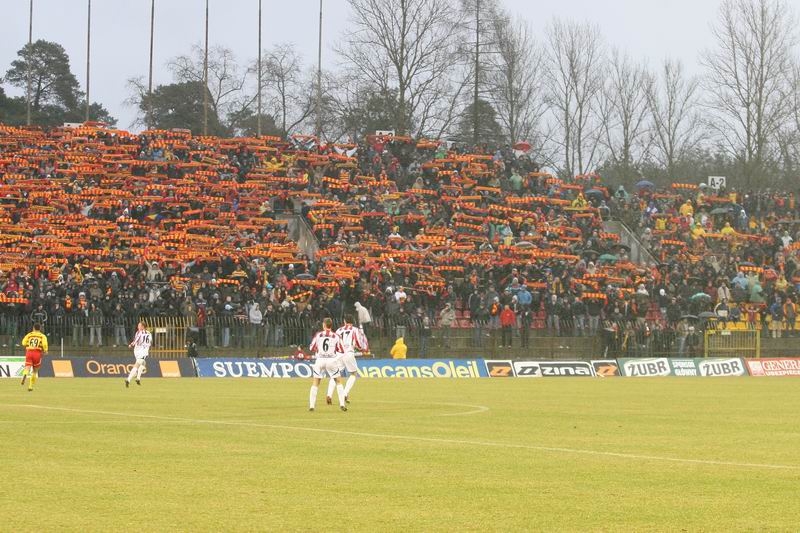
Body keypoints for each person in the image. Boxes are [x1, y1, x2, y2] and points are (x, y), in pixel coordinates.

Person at [326, 315, 368, 405]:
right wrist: (360, 348)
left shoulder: (339, 330)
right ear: (353, 321)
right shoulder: (355, 329)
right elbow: (357, 341)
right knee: (353, 374)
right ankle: (345, 393)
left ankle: (329, 394)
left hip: (339, 354)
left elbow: (334, 341)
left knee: (335, 374)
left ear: (344, 321)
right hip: (348, 353)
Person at [308, 318, 347, 412]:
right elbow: (342, 349)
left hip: (320, 359)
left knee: (316, 382)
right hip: (331, 360)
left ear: (324, 325)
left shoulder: (318, 335)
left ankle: (312, 406)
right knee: (338, 381)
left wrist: (319, 349)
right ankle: (342, 404)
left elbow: (311, 348)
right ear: (331, 325)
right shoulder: (336, 336)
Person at [20, 323, 48, 392]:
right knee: (35, 371)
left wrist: (28, 344)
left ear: (33, 328)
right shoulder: (42, 336)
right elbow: (44, 344)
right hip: (37, 353)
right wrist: (45, 350)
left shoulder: (29, 335)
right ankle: (30, 386)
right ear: (40, 329)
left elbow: (23, 343)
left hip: (29, 352)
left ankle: (25, 374)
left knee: (27, 367)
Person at [125, 322, 152, 387]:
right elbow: (150, 341)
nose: (138, 327)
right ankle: (128, 379)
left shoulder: (138, 332)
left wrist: (131, 344)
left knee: (143, 363)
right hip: (143, 351)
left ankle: (138, 378)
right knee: (137, 365)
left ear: (143, 327)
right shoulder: (149, 333)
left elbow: (136, 339)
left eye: (139, 325)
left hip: (136, 351)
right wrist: (132, 344)